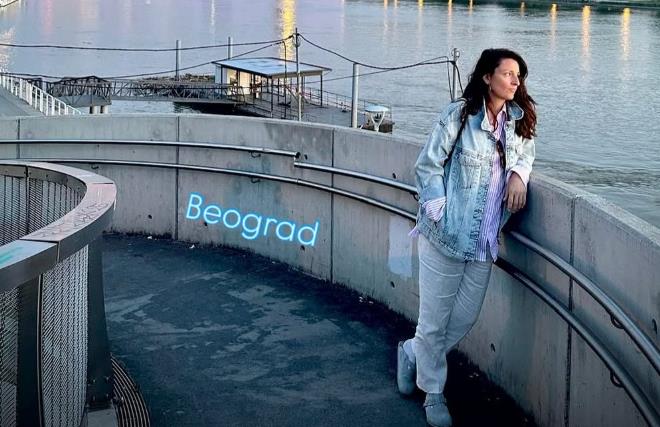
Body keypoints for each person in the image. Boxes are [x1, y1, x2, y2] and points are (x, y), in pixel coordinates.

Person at [397, 48, 537, 427]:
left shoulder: (516, 121)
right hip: (445, 236)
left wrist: (518, 175)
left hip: (484, 241)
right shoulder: (459, 115)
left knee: (463, 318)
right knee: (434, 321)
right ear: (487, 77)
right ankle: (433, 392)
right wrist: (439, 210)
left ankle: (411, 352)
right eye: (508, 73)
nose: (515, 81)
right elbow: (427, 165)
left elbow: (526, 152)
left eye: (519, 75)